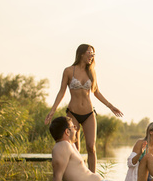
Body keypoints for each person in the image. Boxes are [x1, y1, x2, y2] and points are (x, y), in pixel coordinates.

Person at [45, 44, 123, 173]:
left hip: (89, 114)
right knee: (74, 148)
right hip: (73, 113)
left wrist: (111, 106)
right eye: (89, 53)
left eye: (93, 54)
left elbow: (96, 91)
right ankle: (78, 176)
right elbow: (61, 92)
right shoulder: (69, 71)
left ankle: (93, 179)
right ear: (81, 54)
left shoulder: (91, 72)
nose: (92, 56)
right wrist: (52, 110)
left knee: (91, 147)